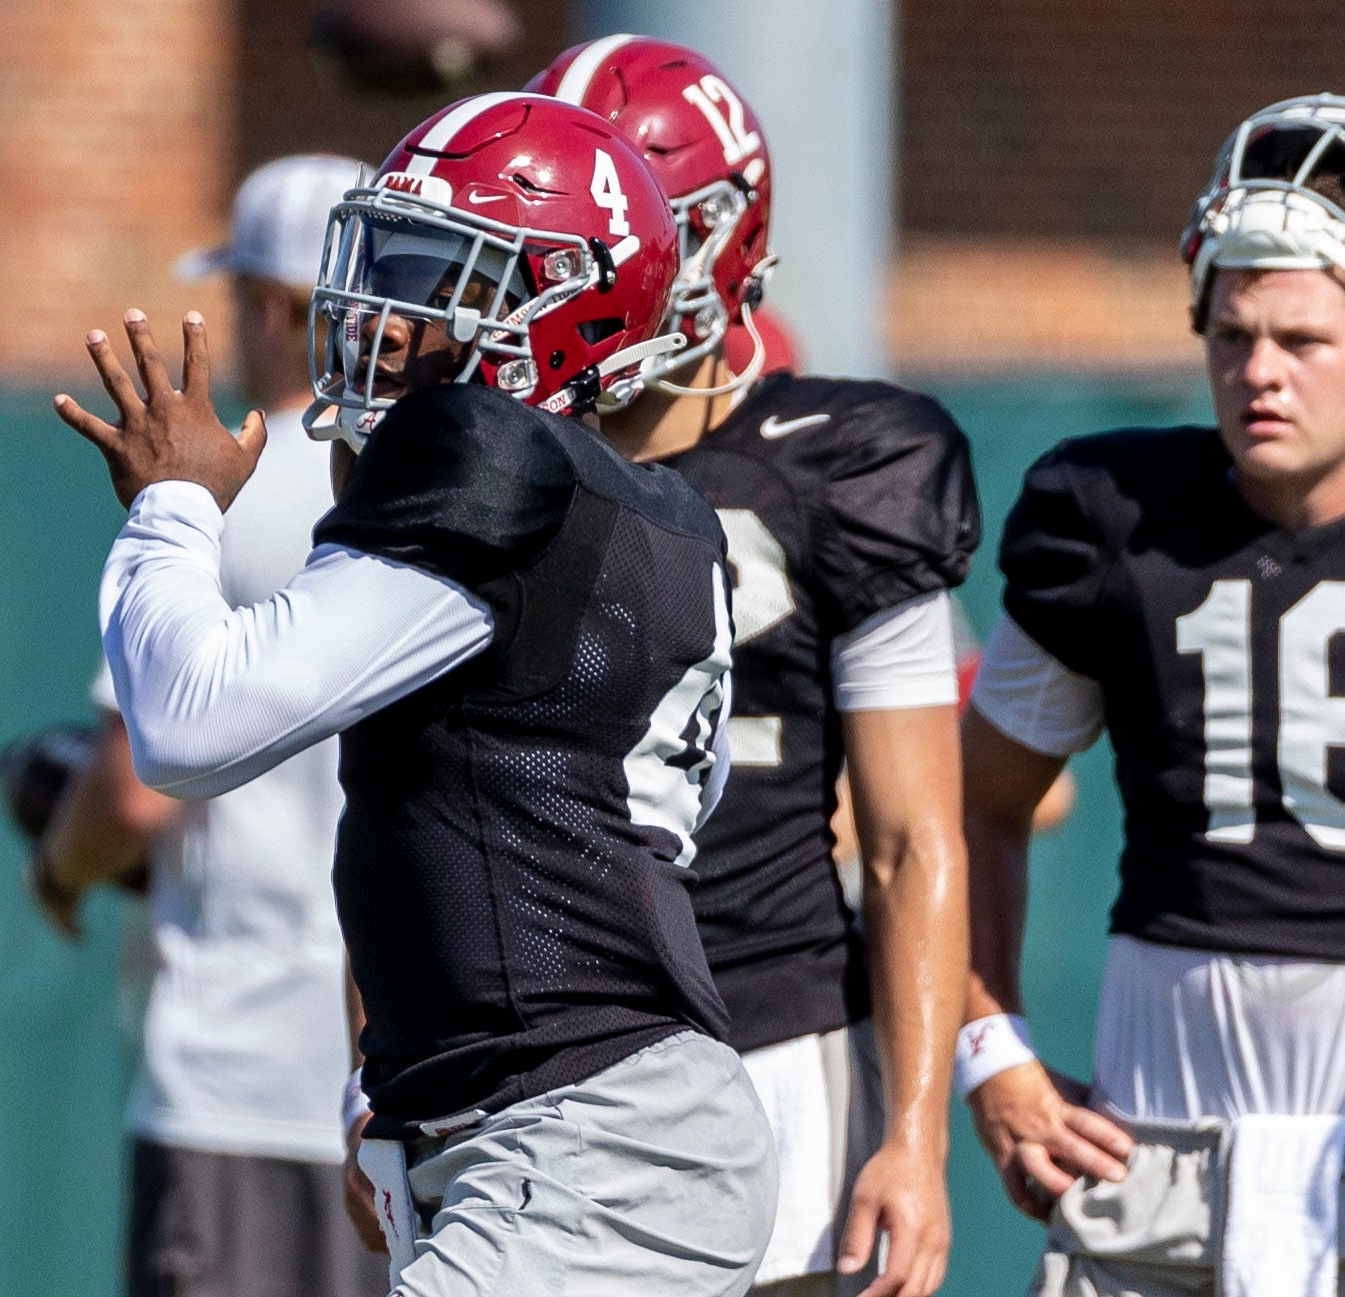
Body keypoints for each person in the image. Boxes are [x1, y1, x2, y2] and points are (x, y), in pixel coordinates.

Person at [54, 92, 778, 1297]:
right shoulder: (656, 514)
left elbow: (187, 725)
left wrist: (172, 503)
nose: (383, 317)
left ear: (557, 307)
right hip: (582, 1126)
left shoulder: (494, 462)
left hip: (582, 1140)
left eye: (441, 274)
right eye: (386, 259)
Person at [529, 36, 978, 1297]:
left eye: (638, 218)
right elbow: (400, 804)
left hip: (781, 1040)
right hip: (540, 1048)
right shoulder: (480, 460)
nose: (613, 259)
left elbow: (905, 840)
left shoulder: (847, 462)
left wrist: (914, 1135)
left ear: (722, 233)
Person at [959, 93, 1345, 1297]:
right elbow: (972, 808)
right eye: (1229, 335)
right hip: (1158, 1110)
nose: (1254, 373)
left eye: (1298, 339)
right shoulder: (1113, 519)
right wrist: (993, 1052)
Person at [30, 154, 389, 1297]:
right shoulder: (438, 487)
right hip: (399, 1083)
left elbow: (132, 787)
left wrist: (58, 865)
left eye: (240, 296)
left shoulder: (219, 488)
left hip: (237, 1074)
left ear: (280, 309)